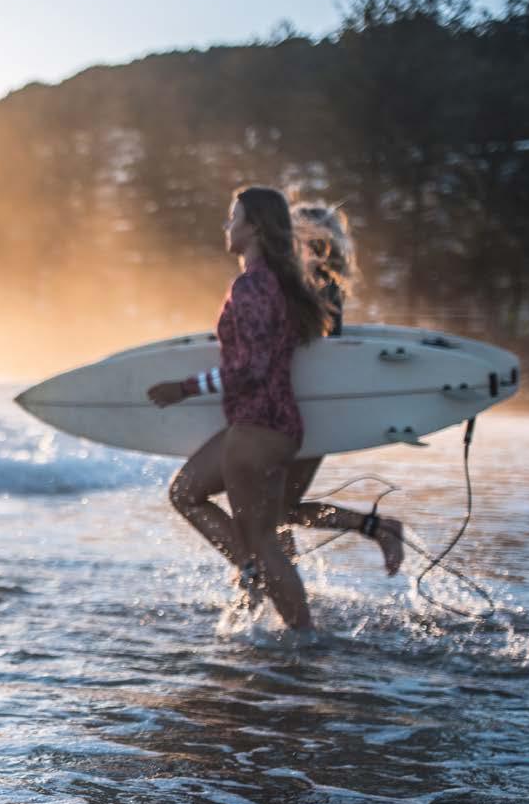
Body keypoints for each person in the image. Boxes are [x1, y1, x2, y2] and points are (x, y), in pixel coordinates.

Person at [147, 186, 330, 631]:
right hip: (268, 425)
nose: (227, 227)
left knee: (264, 541)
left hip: (257, 427)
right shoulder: (277, 282)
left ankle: (303, 638)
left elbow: (252, 367)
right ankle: (252, 572)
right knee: (186, 492)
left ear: (254, 228)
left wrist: (185, 388)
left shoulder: (252, 285)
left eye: (234, 218)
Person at [281, 202, 404, 576]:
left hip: (307, 409)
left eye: (291, 233)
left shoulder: (316, 287)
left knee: (274, 509)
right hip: (299, 406)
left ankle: (380, 528)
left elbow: (315, 353)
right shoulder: (315, 284)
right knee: (274, 509)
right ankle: (269, 586)